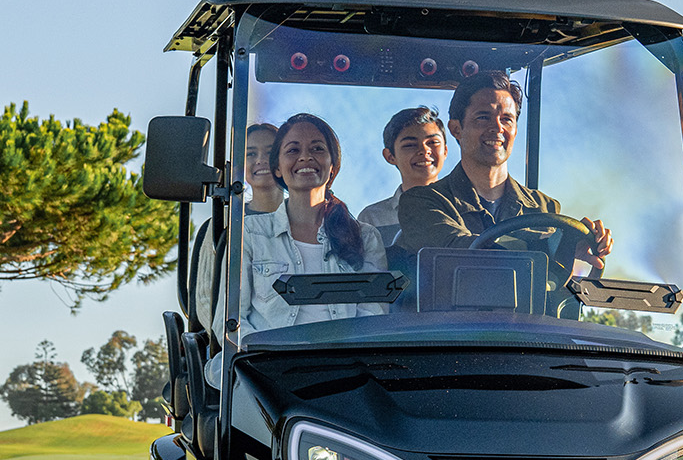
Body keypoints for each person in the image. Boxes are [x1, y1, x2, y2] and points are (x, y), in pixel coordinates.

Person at [396, 70, 612, 267]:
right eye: (483, 118)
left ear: (515, 129)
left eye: (507, 119)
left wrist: (576, 243)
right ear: (456, 129)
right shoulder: (421, 203)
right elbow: (462, 252)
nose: (497, 128)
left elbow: (553, 283)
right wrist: (553, 245)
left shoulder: (543, 207)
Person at [239, 112, 389, 333]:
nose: (305, 157)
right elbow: (231, 320)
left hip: (346, 355)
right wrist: (265, 351)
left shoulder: (365, 237)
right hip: (267, 355)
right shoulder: (248, 234)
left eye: (317, 148)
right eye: (293, 150)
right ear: (277, 167)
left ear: (333, 165)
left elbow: (373, 316)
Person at [192, 122, 280, 333]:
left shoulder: (307, 221)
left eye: (270, 153)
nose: (260, 160)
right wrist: (237, 340)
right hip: (242, 345)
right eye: (251, 154)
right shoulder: (224, 223)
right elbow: (205, 299)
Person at [357, 106, 447, 249]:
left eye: (432, 142)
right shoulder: (373, 219)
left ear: (445, 150)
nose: (424, 151)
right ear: (390, 156)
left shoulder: (468, 208)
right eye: (410, 145)